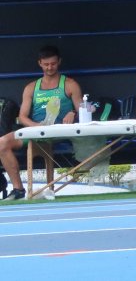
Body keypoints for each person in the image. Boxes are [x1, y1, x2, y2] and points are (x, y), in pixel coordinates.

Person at [0, 46, 83, 201]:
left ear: (59, 62)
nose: (49, 67)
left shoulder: (70, 84)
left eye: (53, 63)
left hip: (60, 132)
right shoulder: (31, 87)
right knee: (2, 143)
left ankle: (75, 173)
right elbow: (22, 117)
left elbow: (83, 111)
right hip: (36, 131)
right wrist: (37, 127)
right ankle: (18, 189)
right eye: (46, 64)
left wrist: (74, 113)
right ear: (40, 63)